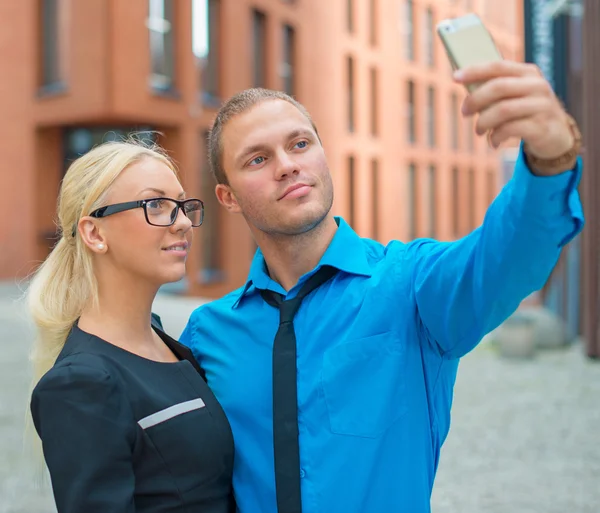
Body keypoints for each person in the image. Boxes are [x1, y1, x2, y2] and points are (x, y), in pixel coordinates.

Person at [181, 59, 584, 513]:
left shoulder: (412, 285)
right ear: (228, 197)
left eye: (300, 144)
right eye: (258, 159)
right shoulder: (205, 335)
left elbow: (509, 255)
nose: (288, 166)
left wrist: (551, 158)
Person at [28, 139, 236, 513]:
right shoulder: (82, 383)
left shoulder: (166, 341)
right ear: (94, 233)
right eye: (156, 205)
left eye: (183, 205)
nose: (185, 223)